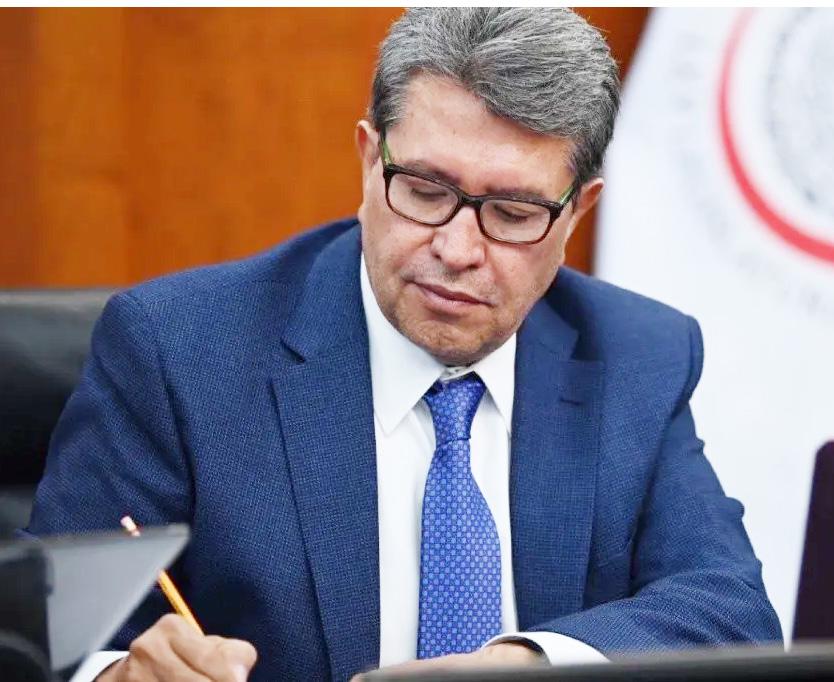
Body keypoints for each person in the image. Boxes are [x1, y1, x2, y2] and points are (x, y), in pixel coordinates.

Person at [26, 8, 781, 682]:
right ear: (368, 160)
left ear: (576, 213)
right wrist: (118, 675)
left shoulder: (637, 357)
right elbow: (42, 638)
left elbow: (730, 612)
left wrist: (523, 666)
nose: (456, 248)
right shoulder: (179, 350)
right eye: (424, 190)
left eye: (513, 213)